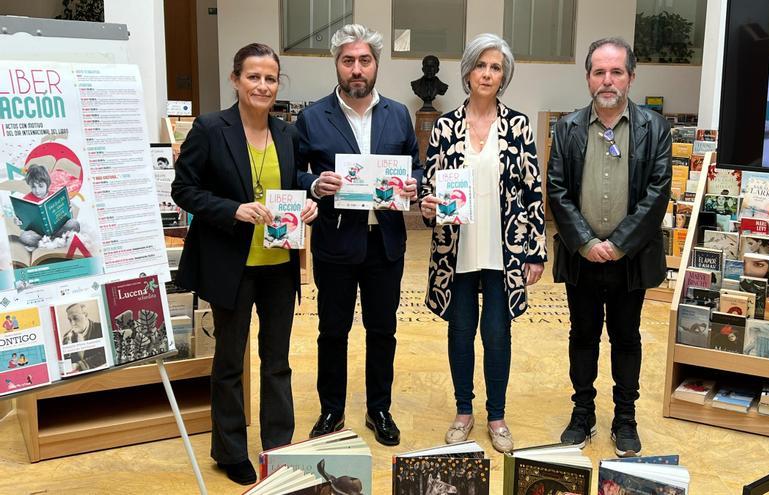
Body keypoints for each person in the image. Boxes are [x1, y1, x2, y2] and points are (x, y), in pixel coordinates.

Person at [171, 42, 318, 485]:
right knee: (230, 361)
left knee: (277, 361)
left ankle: (278, 447)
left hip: (277, 264)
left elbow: (297, 182)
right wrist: (231, 209)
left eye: (270, 78)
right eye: (253, 76)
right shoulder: (211, 129)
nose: (262, 85)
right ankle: (230, 449)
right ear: (236, 80)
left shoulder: (288, 134)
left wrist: (309, 202)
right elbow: (184, 189)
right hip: (230, 264)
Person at [294, 24, 421, 447]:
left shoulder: (398, 114)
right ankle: (331, 409)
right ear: (337, 64)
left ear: (376, 65)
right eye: (348, 60)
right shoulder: (312, 117)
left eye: (364, 60)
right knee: (333, 331)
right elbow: (292, 173)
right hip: (334, 241)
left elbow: (415, 166)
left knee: (382, 329)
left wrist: (413, 184)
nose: (356, 68)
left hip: (384, 242)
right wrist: (313, 185)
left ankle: (378, 409)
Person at [420, 33, 546, 453]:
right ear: (468, 71)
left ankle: (496, 415)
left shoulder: (518, 125)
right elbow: (429, 184)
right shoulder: (444, 126)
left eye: (496, 67)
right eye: (481, 65)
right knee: (460, 331)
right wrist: (427, 203)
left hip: (503, 248)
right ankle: (462, 411)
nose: (488, 74)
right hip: (456, 247)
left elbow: (533, 192)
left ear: (503, 75)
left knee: (496, 333)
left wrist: (535, 251)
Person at [547, 37, 671, 457]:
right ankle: (582, 413)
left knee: (626, 336)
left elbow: (658, 194)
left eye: (616, 71)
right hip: (581, 258)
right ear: (587, 78)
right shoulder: (567, 129)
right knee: (582, 335)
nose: (607, 80)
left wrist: (618, 245)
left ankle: (625, 418)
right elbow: (558, 191)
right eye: (599, 71)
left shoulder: (655, 129)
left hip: (629, 260)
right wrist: (584, 242)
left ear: (631, 77)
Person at [61, 303, 107, 371]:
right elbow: (67, 361)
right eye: (69, 320)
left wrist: (79, 365)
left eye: (75, 318)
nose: (72, 323)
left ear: (85, 315)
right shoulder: (67, 336)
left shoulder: (101, 329)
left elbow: (105, 354)